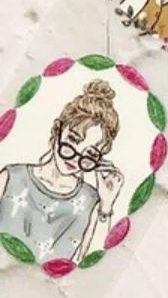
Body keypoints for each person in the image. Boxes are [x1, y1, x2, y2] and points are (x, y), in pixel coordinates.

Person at [0, 79, 124, 265]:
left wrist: (106, 206)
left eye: (89, 154)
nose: (75, 157)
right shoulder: (11, 178)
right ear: (57, 130)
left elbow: (90, 265)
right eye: (73, 140)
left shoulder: (92, 202)